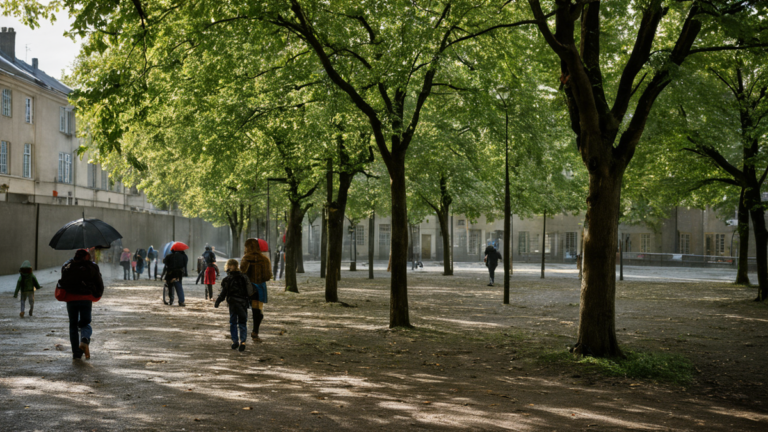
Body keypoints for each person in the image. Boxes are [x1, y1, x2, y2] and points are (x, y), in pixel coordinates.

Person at [55, 249, 104, 360]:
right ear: (87, 256)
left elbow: (63, 281)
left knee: (73, 325)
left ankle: (76, 353)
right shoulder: (92, 266)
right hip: (86, 298)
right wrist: (97, 293)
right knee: (85, 322)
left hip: (71, 299)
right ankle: (85, 339)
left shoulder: (68, 265)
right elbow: (99, 282)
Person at [215, 259, 251, 351]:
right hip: (243, 303)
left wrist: (218, 301)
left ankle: (235, 341)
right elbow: (250, 291)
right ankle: (243, 341)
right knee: (242, 322)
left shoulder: (227, 279)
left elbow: (224, 292)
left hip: (233, 303)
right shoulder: (244, 277)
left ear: (229, 267)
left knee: (233, 322)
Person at [240, 238, 272, 342]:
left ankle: (244, 332)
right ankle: (255, 331)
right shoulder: (265, 259)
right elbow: (268, 276)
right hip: (260, 287)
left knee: (247, 309)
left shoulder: (246, 258)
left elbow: (242, 273)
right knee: (258, 310)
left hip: (249, 287)